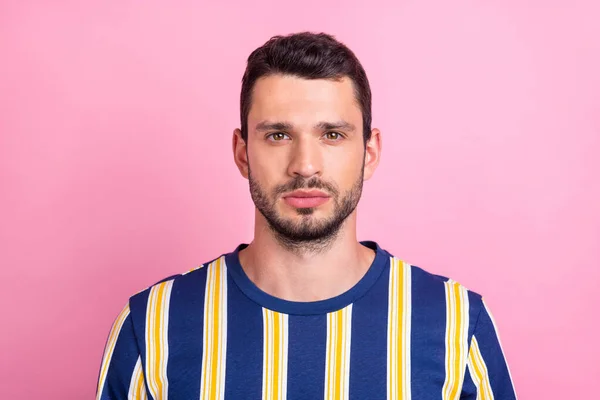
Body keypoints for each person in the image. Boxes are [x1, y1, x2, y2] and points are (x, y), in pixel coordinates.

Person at [96, 32, 517, 400]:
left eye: (332, 135)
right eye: (278, 136)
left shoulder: (458, 324)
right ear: (243, 153)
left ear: (369, 153)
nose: (305, 165)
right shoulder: (152, 325)